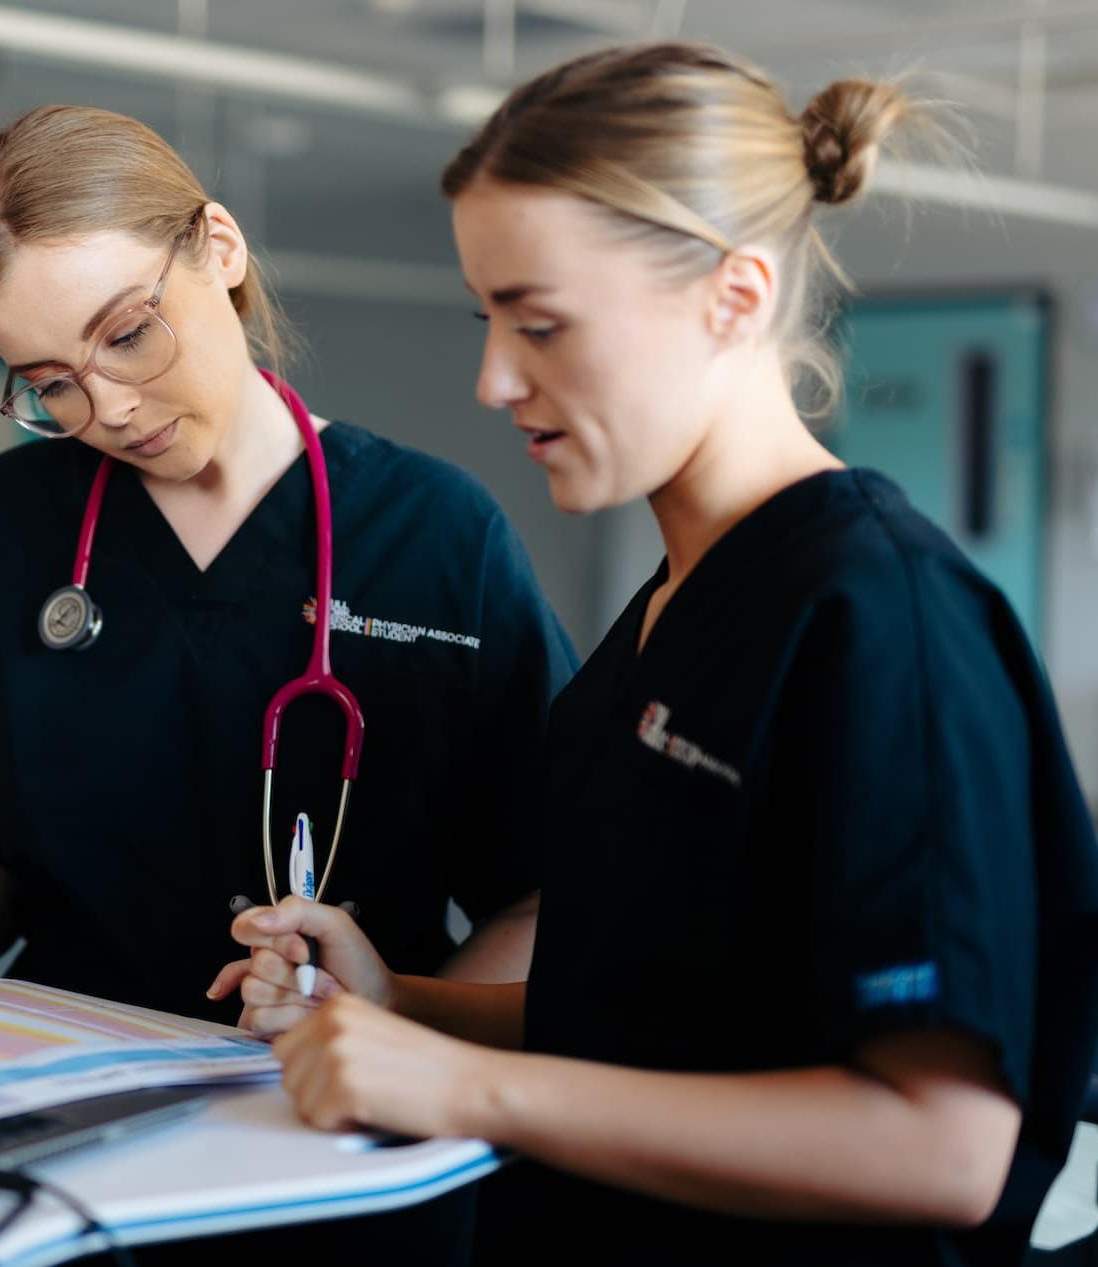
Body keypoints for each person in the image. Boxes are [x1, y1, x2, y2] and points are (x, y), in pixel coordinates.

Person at [224, 42, 1098, 1266]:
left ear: (733, 297)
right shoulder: (669, 610)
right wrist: (397, 1000)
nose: (491, 378)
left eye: (540, 325)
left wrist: (461, 1087)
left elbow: (942, 1149)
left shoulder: (878, 619)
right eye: (488, 320)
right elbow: (661, 1015)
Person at [0, 105, 576, 1026]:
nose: (109, 408)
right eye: (50, 384)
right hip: (73, 1082)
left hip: (347, 1110)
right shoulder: (1, 526)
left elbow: (535, 895)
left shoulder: (438, 532)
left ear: (220, 247)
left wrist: (393, 1026)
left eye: (125, 336)